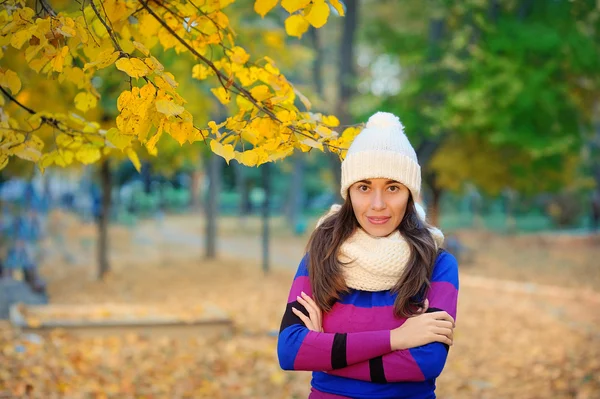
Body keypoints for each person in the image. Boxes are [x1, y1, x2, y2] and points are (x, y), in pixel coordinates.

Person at [277, 112, 459, 399]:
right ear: (349, 192)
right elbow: (290, 352)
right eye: (364, 187)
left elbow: (425, 363)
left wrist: (325, 348)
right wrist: (397, 339)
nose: (377, 204)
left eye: (393, 188)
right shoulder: (321, 254)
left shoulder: (437, 263)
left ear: (410, 195)